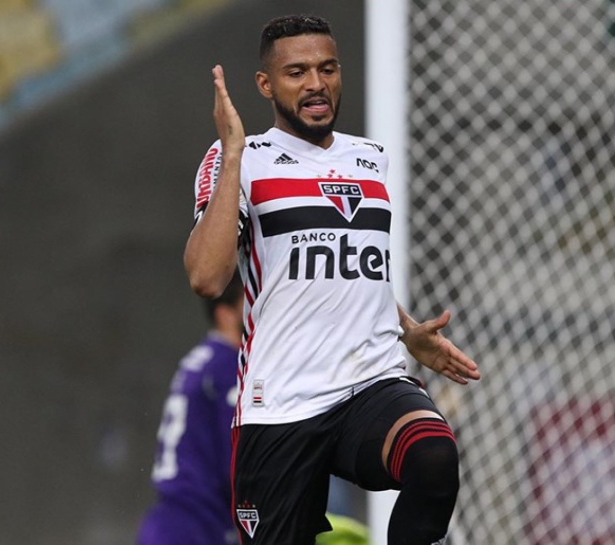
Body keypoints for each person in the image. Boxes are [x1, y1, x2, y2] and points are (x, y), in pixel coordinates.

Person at [183, 13, 480, 545]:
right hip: (281, 402)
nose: (316, 84)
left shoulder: (370, 159)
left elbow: (347, 265)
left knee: (433, 455)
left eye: (327, 68)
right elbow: (207, 277)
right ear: (266, 85)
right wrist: (230, 157)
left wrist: (405, 328)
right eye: (297, 72)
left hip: (369, 382)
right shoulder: (242, 161)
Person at [137, 274, 244, 545]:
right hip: (197, 527)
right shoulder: (227, 368)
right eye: (250, 302)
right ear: (225, 314)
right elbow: (237, 461)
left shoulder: (201, 359)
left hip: (170, 520)